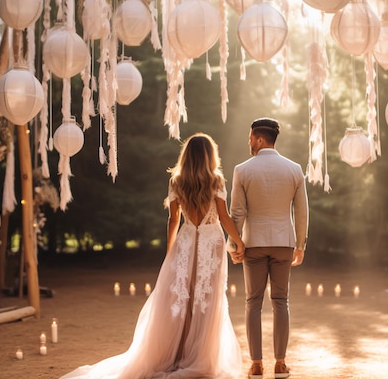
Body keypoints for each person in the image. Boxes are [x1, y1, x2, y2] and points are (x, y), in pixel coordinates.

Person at [61, 133, 245, 379]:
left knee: (182, 299)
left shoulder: (177, 181)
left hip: (187, 241)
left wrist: (171, 252)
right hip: (211, 243)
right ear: (210, 156)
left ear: (187, 155)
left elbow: (173, 220)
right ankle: (199, 355)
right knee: (206, 299)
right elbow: (223, 217)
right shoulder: (216, 180)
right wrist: (239, 242)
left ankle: (179, 354)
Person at [229, 117, 309, 379]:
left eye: (251, 137)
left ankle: (255, 364)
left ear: (260, 139)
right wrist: (300, 244)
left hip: (254, 243)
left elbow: (237, 212)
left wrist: (235, 243)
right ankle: (280, 363)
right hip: (283, 242)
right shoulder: (294, 169)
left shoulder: (242, 169)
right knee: (281, 301)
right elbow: (302, 212)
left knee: (253, 302)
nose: (249, 142)